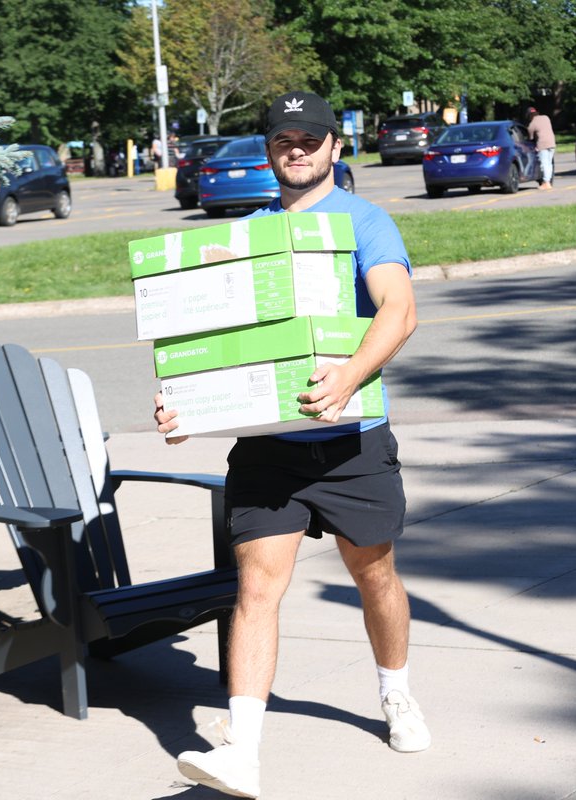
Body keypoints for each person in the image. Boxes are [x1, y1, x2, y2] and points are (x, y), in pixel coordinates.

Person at [155, 91, 429, 798]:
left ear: (335, 146)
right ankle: (241, 751)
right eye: (284, 140)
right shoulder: (247, 235)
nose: (297, 150)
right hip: (271, 447)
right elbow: (211, 340)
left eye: (310, 139)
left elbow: (399, 309)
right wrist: (185, 402)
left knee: (375, 576)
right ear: (270, 151)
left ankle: (396, 691)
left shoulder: (365, 222)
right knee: (256, 588)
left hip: (352, 442)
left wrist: (351, 373)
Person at [527, 106, 556, 190]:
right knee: (549, 164)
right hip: (552, 143)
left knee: (544, 164)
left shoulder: (532, 124)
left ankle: (546, 183)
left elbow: (530, 138)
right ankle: (548, 182)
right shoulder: (546, 118)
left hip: (543, 145)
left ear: (529, 116)